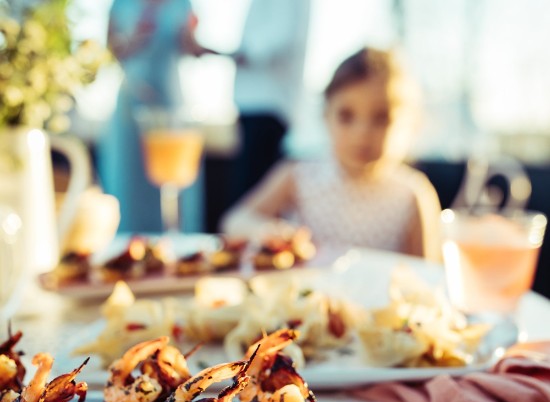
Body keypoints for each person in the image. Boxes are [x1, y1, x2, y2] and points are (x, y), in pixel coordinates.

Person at [220, 47, 442, 261]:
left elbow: (428, 277)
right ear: (326, 116)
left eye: (381, 118)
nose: (362, 133)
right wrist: (267, 231)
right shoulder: (299, 176)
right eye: (346, 116)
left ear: (410, 124)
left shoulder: (413, 195)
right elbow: (234, 222)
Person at [97, 0, 199, 233]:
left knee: (175, 177)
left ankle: (175, 243)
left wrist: (191, 37)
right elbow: (108, 52)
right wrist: (131, 40)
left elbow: (190, 48)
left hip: (170, 99)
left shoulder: (182, 3)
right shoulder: (120, 4)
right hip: (132, 100)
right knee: (130, 179)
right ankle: (130, 247)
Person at [227, 0, 311, 206]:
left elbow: (276, 39)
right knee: (250, 188)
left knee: (253, 193)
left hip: (268, 106)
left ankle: (249, 237)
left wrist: (240, 53)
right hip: (259, 105)